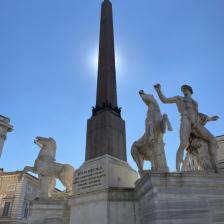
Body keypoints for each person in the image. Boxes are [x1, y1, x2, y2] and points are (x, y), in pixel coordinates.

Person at [154, 83, 218, 172]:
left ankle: (215, 166)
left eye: (185, 89)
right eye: (182, 89)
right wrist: (158, 90)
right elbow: (165, 100)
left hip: (195, 123)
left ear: (189, 90)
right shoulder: (179, 98)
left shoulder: (195, 102)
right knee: (183, 143)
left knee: (212, 139)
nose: (183, 91)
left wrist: (210, 118)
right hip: (185, 121)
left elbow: (198, 115)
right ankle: (177, 168)